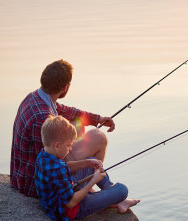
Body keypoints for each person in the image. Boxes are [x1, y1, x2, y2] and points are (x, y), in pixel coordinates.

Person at [10, 59, 115, 198]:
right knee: (99, 138)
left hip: (22, 174)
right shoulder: (42, 118)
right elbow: (52, 164)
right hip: (33, 184)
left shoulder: (35, 97)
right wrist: (86, 162)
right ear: (65, 87)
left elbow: (65, 110)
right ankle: (86, 189)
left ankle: (88, 185)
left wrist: (97, 119)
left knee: (78, 123)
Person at [35, 115, 139, 221]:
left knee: (92, 160)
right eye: (69, 145)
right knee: (122, 190)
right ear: (57, 145)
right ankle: (117, 198)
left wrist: (86, 163)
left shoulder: (43, 155)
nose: (70, 149)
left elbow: (64, 166)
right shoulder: (57, 169)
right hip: (74, 209)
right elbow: (71, 203)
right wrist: (93, 181)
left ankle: (112, 196)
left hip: (60, 197)